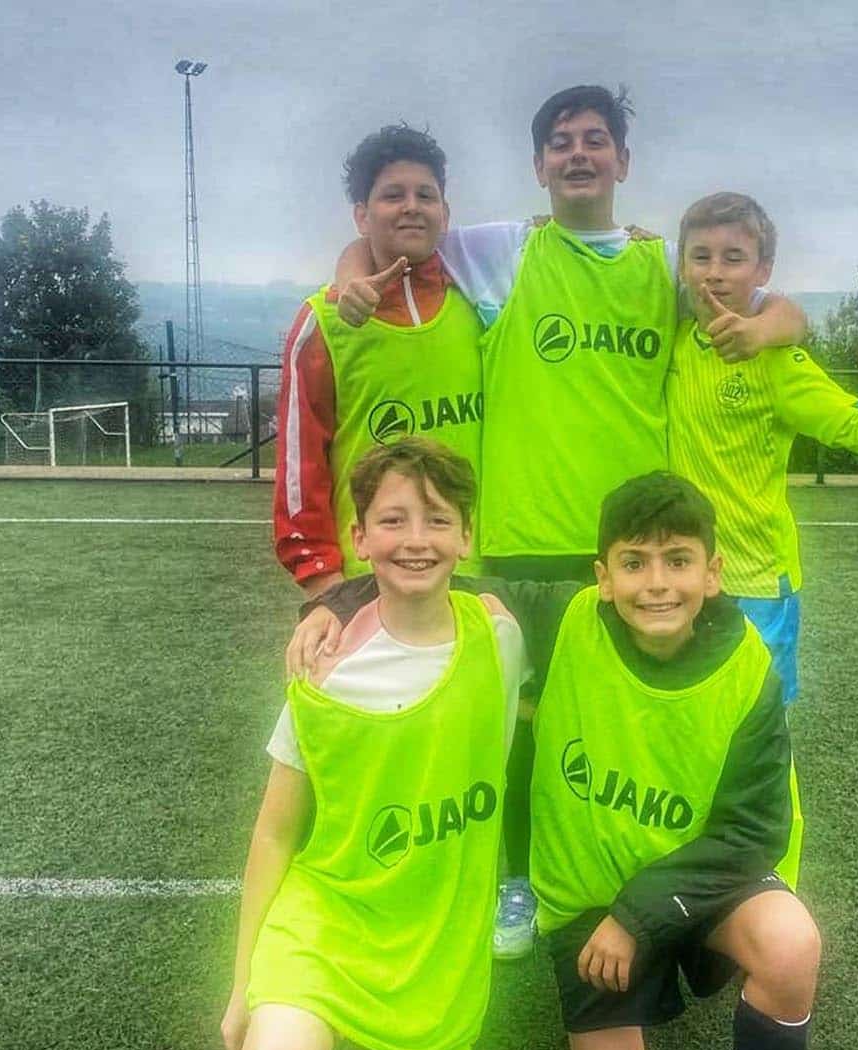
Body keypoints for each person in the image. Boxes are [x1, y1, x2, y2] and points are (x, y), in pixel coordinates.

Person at [333, 86, 809, 957]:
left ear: (623, 161)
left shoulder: (662, 264)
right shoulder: (506, 251)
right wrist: (343, 274)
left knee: (618, 730)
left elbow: (773, 303)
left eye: (595, 140)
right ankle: (517, 879)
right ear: (539, 164)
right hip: (519, 547)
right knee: (516, 725)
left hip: (630, 554)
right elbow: (400, 235)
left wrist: (773, 327)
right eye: (561, 142)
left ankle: (667, 883)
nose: (578, 153)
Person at [292, 472, 830, 1050]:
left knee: (791, 942)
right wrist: (336, 602)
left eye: (678, 561)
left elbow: (754, 831)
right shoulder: (569, 618)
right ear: (602, 577)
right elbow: (442, 578)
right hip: (587, 898)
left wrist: (638, 917)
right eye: (635, 563)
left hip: (700, 884)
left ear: (713, 573)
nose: (657, 583)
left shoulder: (749, 668)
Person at [223, 439, 526, 1050]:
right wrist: (240, 987)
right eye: (392, 520)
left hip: (435, 940)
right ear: (359, 538)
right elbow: (275, 831)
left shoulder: (500, 638)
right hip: (336, 916)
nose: (415, 539)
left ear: (467, 536)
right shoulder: (326, 669)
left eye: (437, 520)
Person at [667, 191, 858, 704]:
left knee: (761, 723)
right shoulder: (672, 340)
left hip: (757, 583)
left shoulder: (780, 363)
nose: (714, 273)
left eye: (734, 258)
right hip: (683, 578)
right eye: (701, 256)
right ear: (681, 266)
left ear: (763, 269)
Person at [273, 125, 484, 594]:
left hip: (474, 575)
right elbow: (300, 469)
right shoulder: (323, 321)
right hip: (368, 582)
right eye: (393, 195)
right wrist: (325, 584)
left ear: (445, 213)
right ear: (362, 216)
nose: (411, 206)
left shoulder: (481, 304)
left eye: (425, 195)